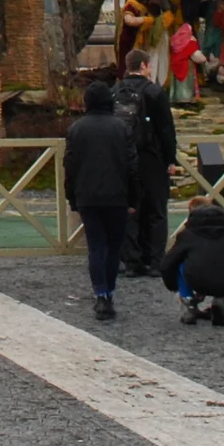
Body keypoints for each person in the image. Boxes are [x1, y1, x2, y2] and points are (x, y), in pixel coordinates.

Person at [65, 80, 139, 320]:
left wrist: (72, 197)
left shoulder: (77, 129)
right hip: (117, 195)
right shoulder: (121, 127)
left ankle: (101, 294)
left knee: (95, 246)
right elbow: (132, 166)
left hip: (88, 195)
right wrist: (134, 198)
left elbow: (71, 167)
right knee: (114, 247)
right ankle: (110, 292)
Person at [111, 50, 178, 281]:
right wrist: (171, 159)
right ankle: (154, 262)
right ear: (144, 65)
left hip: (123, 159)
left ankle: (131, 261)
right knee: (156, 210)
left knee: (130, 210)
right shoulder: (154, 92)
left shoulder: (115, 91)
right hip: (151, 157)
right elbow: (166, 129)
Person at [163, 197, 224, 325]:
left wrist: (172, 285)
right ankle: (221, 301)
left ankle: (189, 306)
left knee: (179, 265)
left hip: (196, 278)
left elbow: (168, 262)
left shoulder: (186, 234)